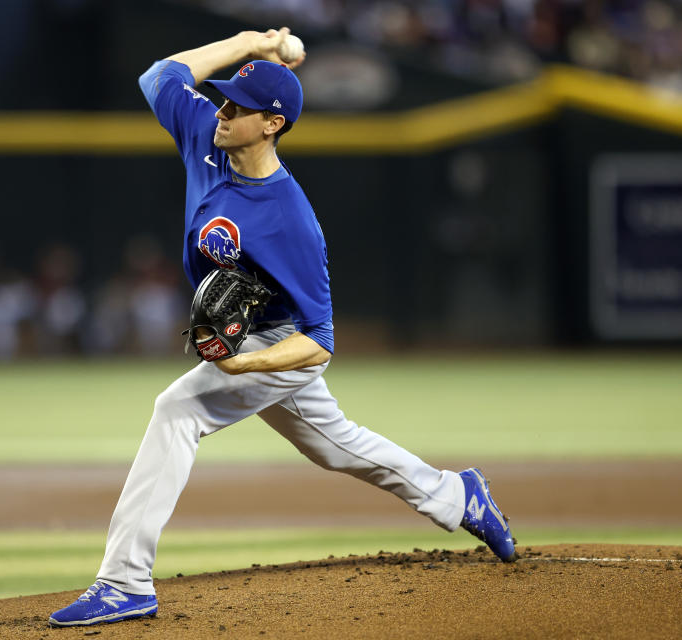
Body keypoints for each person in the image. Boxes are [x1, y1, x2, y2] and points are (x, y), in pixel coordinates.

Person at [49, 27, 516, 628]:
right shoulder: (204, 136)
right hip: (250, 339)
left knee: (177, 411)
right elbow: (160, 74)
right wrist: (247, 43)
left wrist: (243, 365)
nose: (221, 112)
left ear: (272, 124)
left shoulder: (290, 220)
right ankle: (457, 495)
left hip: (277, 342)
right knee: (335, 444)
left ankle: (124, 582)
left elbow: (318, 345)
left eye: (237, 108)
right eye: (221, 101)